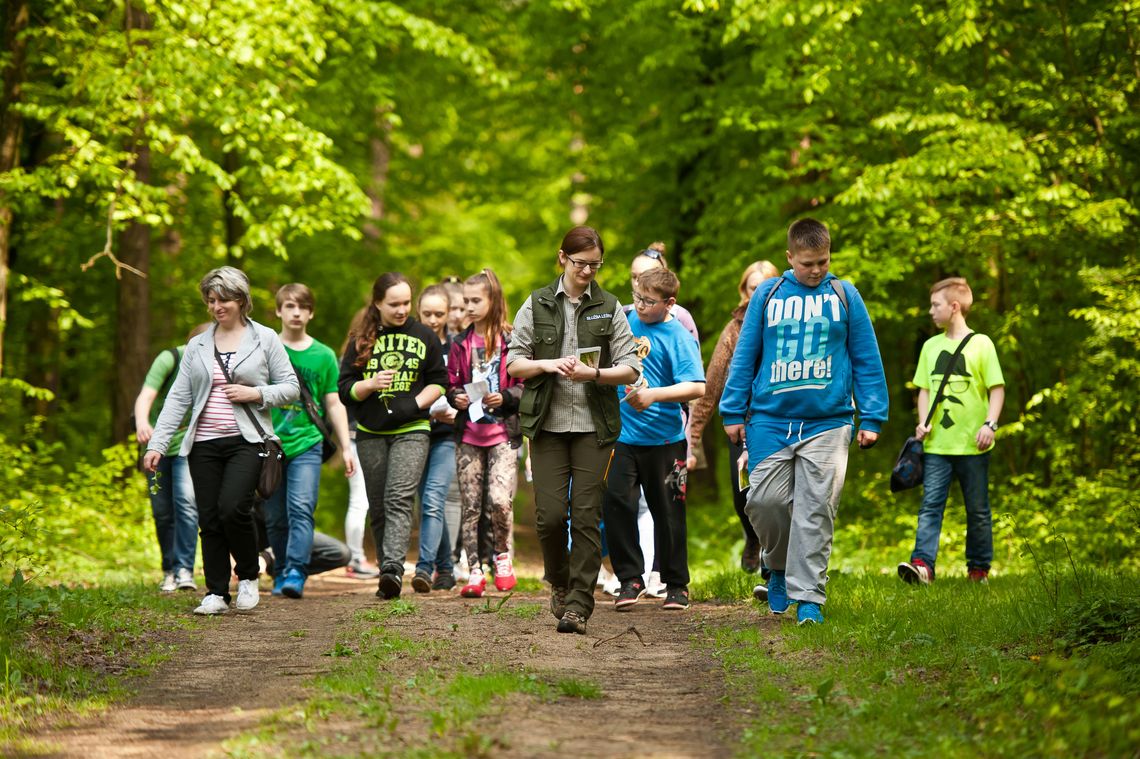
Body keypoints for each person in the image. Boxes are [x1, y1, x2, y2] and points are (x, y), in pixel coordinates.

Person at [720, 218, 888, 626]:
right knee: (764, 501)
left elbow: (866, 356)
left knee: (816, 508)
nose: (816, 271)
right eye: (808, 263)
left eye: (823, 262)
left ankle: (809, 596)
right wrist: (732, 409)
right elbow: (746, 354)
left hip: (828, 421)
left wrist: (873, 415)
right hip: (770, 420)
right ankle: (776, 565)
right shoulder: (769, 294)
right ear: (789, 257)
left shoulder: (844, 295)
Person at [507, 225, 641, 635]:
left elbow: (632, 368)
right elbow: (513, 364)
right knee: (549, 517)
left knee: (586, 515)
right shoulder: (536, 303)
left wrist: (594, 373)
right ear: (562, 258)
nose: (588, 272)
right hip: (546, 425)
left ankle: (579, 605)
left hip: (593, 428)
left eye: (595, 265)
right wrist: (549, 365)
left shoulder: (610, 306)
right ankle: (560, 582)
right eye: (581, 263)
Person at [143, 267, 299, 615]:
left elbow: (291, 387)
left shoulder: (265, 338)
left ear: (242, 300)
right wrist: (157, 444)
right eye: (211, 300)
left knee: (233, 508)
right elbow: (178, 399)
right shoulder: (197, 345)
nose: (217, 306)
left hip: (247, 440)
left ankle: (247, 575)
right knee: (210, 517)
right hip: (203, 443)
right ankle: (216, 592)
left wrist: (254, 392)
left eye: (224, 299)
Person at [338, 272, 447, 600]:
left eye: (405, 303)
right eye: (394, 304)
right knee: (380, 504)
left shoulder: (425, 336)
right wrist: (369, 385)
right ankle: (388, 565)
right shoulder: (361, 339)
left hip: (412, 429)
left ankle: (393, 569)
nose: (402, 310)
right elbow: (344, 389)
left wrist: (414, 403)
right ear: (377, 303)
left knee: (399, 497)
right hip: (370, 433)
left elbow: (439, 380)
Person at [603, 268, 705, 611]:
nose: (641, 305)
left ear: (669, 303)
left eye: (649, 301)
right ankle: (629, 579)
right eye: (637, 297)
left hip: (665, 440)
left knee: (669, 513)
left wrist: (654, 396)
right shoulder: (625, 322)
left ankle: (676, 584)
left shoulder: (677, 335)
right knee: (617, 504)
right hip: (623, 437)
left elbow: (697, 387)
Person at [897, 277, 1005, 585]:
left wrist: (990, 424)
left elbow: (996, 389)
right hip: (937, 446)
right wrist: (922, 422)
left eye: (935, 305)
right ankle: (923, 566)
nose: (930, 311)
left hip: (974, 444)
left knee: (978, 510)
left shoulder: (982, 344)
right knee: (930, 507)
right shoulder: (930, 347)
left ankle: (979, 569)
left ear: (954, 307)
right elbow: (924, 391)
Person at [263, 284, 357, 600]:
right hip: (269, 444)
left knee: (301, 509)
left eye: (302, 307)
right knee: (275, 516)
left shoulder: (323, 355)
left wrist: (345, 446)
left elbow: (333, 402)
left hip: (308, 442)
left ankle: (295, 572)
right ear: (278, 310)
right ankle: (279, 570)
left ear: (311, 312)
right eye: (289, 306)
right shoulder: (264, 348)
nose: (296, 313)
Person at [689, 261, 780, 576]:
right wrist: (693, 436)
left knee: (774, 495)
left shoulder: (788, 323)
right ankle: (753, 537)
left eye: (765, 285)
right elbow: (711, 385)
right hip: (740, 427)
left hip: (778, 422)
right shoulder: (734, 330)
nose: (758, 293)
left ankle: (773, 561)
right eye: (753, 287)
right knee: (742, 494)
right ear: (745, 291)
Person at [447, 269, 523, 598]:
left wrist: (505, 397)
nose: (469, 308)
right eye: (465, 302)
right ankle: (475, 570)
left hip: (503, 433)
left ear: (493, 301)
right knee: (471, 505)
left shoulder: (512, 340)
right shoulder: (460, 343)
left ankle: (502, 557)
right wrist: (455, 397)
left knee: (499, 501)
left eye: (476, 301)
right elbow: (450, 383)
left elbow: (525, 385)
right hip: (469, 434)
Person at [134, 324, 209, 593]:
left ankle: (184, 569)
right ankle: (169, 570)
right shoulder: (171, 358)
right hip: (160, 445)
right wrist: (143, 422)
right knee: (162, 511)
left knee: (187, 505)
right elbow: (146, 394)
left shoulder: (216, 364)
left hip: (191, 448)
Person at [412, 284, 459, 592]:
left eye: (438, 314)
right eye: (426, 313)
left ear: (448, 313)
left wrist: (458, 410)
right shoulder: (411, 345)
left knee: (434, 499)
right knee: (425, 503)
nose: (432, 320)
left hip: (447, 436)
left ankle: (424, 568)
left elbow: (467, 386)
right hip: (415, 432)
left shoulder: (458, 346)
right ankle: (446, 568)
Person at [339, 306, 381, 580]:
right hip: (359, 436)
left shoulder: (348, 354)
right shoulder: (360, 354)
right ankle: (355, 558)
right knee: (361, 500)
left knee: (362, 500)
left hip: (359, 436)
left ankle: (360, 557)